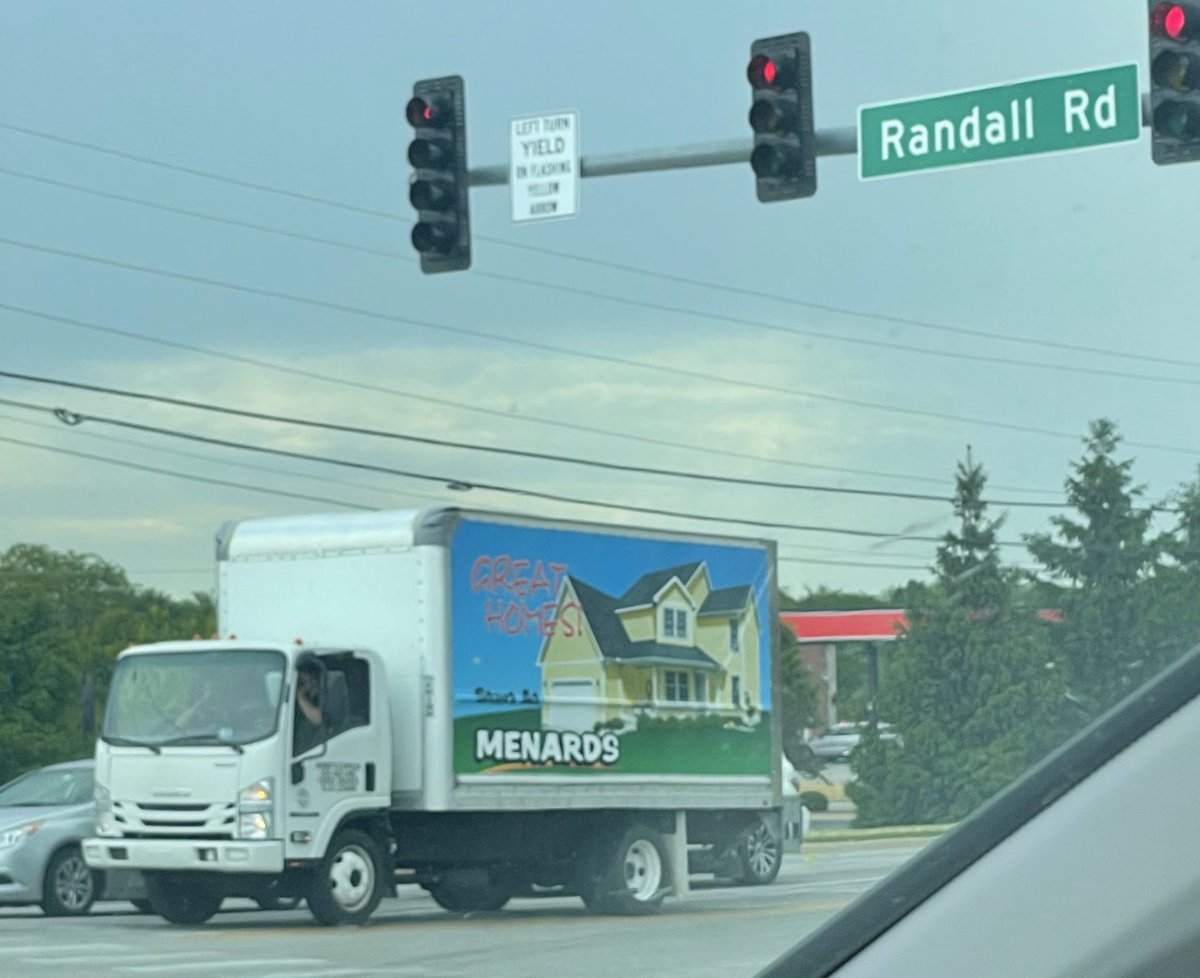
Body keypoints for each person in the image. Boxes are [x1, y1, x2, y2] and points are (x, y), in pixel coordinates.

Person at [293, 661, 324, 755]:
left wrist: (301, 695)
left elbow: (318, 719)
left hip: (312, 752)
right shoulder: (294, 705)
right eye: (301, 682)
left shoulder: (323, 699)